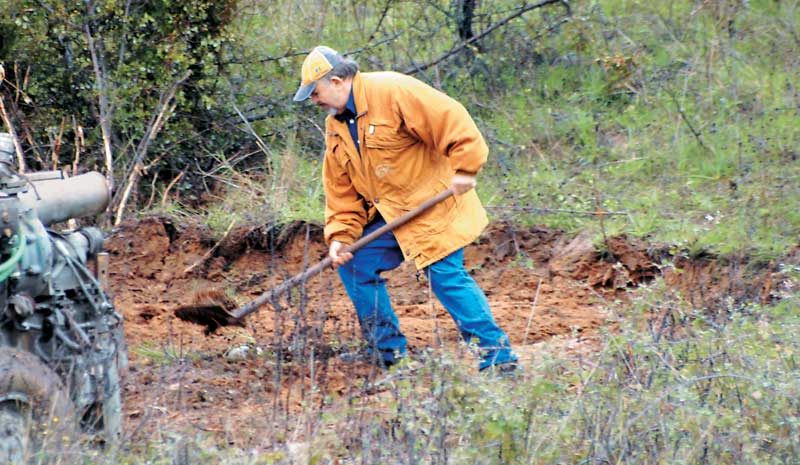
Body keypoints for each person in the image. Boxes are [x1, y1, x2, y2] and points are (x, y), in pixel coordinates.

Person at [293, 45, 517, 373]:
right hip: (391, 214)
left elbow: (452, 119)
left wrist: (466, 168)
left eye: (316, 92)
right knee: (356, 265)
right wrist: (341, 236)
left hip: (435, 204)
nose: (315, 100)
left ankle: (499, 360)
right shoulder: (335, 126)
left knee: (445, 276)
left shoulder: (394, 90)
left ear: (338, 82)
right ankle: (391, 358)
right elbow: (341, 191)